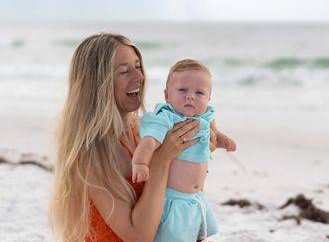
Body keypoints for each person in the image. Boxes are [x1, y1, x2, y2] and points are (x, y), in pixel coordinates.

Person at [48, 33, 207, 242]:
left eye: (138, 66)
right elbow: (138, 237)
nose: (139, 77)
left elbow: (184, 198)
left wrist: (197, 151)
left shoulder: (146, 131)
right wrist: (160, 160)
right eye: (124, 71)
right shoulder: (89, 154)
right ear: (98, 84)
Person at [131, 59, 236, 242]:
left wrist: (221, 140)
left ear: (209, 98)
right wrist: (140, 162)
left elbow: (209, 134)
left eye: (199, 92)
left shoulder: (205, 116)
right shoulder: (166, 117)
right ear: (166, 95)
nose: (190, 96)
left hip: (195, 198)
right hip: (173, 200)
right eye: (182, 90)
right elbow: (149, 141)